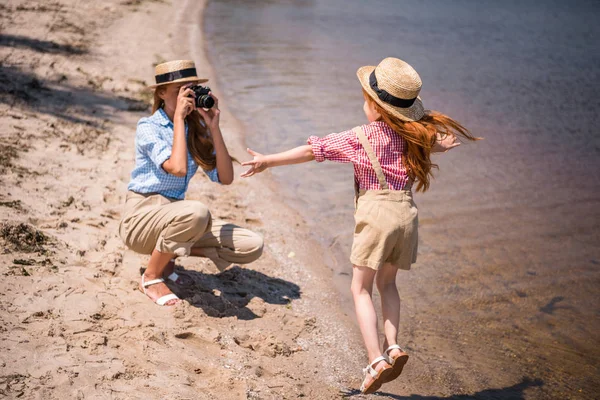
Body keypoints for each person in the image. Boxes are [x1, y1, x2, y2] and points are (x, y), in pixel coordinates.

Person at [240, 57, 479, 393]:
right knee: (389, 285)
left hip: (377, 215)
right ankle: (394, 346)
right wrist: (440, 146)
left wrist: (269, 160)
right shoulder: (416, 136)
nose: (363, 104)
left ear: (377, 108)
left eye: (366, 100)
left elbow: (314, 151)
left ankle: (376, 360)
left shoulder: (361, 137)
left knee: (360, 289)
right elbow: (433, 144)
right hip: (407, 215)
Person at [119, 60, 264, 307]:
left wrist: (213, 127)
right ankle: (152, 277)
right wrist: (177, 120)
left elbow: (226, 178)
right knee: (197, 212)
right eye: (179, 92)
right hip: (142, 218)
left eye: (191, 90)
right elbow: (177, 169)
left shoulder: (195, 129)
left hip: (178, 217)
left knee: (251, 245)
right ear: (161, 93)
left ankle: (167, 258)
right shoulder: (148, 127)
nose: (187, 98)